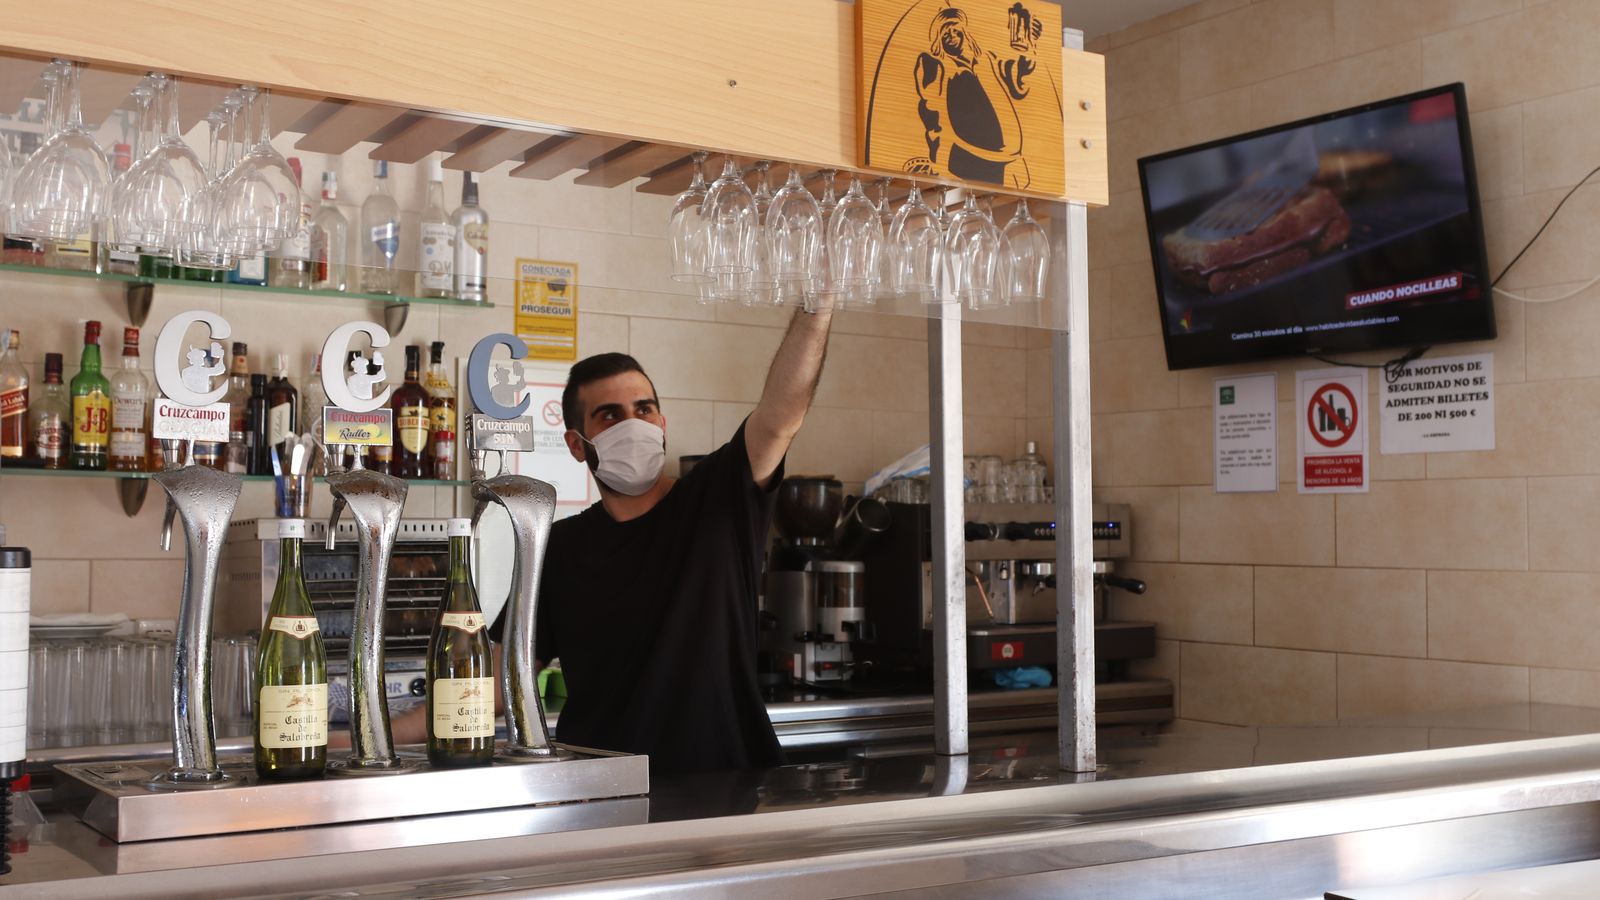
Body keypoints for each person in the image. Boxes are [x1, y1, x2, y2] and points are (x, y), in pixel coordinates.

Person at [381, 300, 834, 774]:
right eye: (610, 416)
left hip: (725, 784)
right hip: (605, 789)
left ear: (662, 424)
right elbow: (497, 684)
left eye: (644, 409)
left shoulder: (717, 501)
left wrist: (817, 305)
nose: (633, 424)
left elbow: (781, 415)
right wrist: (366, 735)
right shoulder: (557, 548)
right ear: (578, 444)